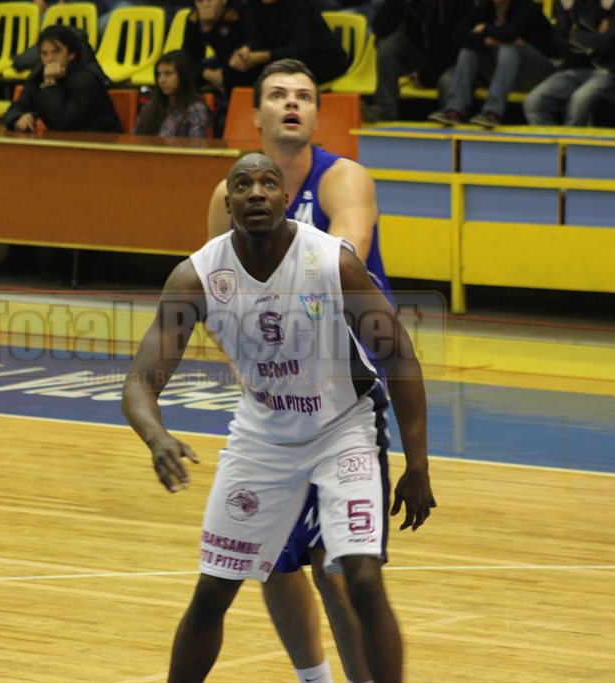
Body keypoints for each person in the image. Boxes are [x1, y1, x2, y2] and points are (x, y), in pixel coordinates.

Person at [123, 152, 435, 683]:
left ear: (285, 199)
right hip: (262, 438)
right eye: (243, 185)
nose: (256, 193)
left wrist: (418, 463)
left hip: (344, 430)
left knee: (361, 580)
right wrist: (156, 437)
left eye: (268, 183)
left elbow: (399, 356)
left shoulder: (332, 263)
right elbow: (138, 383)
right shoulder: (196, 277)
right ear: (228, 202)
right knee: (212, 591)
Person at [207, 58, 393, 683]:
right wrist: (254, 367)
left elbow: (340, 266)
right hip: (279, 401)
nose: (292, 104)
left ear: (316, 115)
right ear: (255, 114)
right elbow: (216, 296)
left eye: (305, 97)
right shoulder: (227, 196)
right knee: (273, 560)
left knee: (332, 562)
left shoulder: (343, 180)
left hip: (343, 394)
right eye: (279, 95)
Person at [428, 0, 554, 127]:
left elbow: (509, 34)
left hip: (540, 74)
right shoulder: (487, 7)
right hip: (507, 74)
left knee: (509, 48)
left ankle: (492, 112)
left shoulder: (526, 6)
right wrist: (486, 41)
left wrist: (485, 29)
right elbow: (458, 35)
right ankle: (455, 110)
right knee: (469, 50)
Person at [522, 0, 615, 127]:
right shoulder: (568, 3)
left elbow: (611, 41)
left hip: (608, 70)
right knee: (534, 101)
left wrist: (575, 38)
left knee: (579, 100)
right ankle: (552, 139)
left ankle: (571, 139)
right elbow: (558, 42)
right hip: (573, 68)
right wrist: (595, 35)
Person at [367, 0, 475, 121]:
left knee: (448, 81)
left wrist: (428, 75)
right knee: (387, 43)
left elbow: (460, 47)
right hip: (419, 58)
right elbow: (380, 29)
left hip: (451, 64)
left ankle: (450, 117)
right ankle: (385, 109)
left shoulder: (460, 3)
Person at [3, 24, 121, 133]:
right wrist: (18, 119)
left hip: (99, 141)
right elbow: (15, 109)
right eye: (44, 53)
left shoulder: (87, 79)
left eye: (56, 52)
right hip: (66, 142)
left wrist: (49, 83)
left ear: (71, 54)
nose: (49, 59)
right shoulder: (38, 76)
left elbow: (61, 123)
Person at [232, 0, 350, 87]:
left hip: (321, 59)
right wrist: (245, 50)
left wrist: (259, 57)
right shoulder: (251, 5)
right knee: (234, 70)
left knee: (280, 76)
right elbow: (253, 38)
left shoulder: (299, 4)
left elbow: (299, 49)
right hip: (280, 58)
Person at [134, 50, 212, 137]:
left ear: (182, 76)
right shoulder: (149, 107)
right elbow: (135, 139)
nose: (161, 80)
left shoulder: (196, 110)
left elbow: (196, 144)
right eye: (159, 74)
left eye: (168, 74)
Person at [182, 0, 246, 93]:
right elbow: (189, 55)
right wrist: (206, 73)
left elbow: (233, 50)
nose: (205, 5)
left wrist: (209, 29)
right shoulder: (194, 18)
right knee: (180, 71)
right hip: (217, 61)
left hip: (241, 60)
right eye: (200, 1)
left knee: (232, 71)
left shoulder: (236, 14)